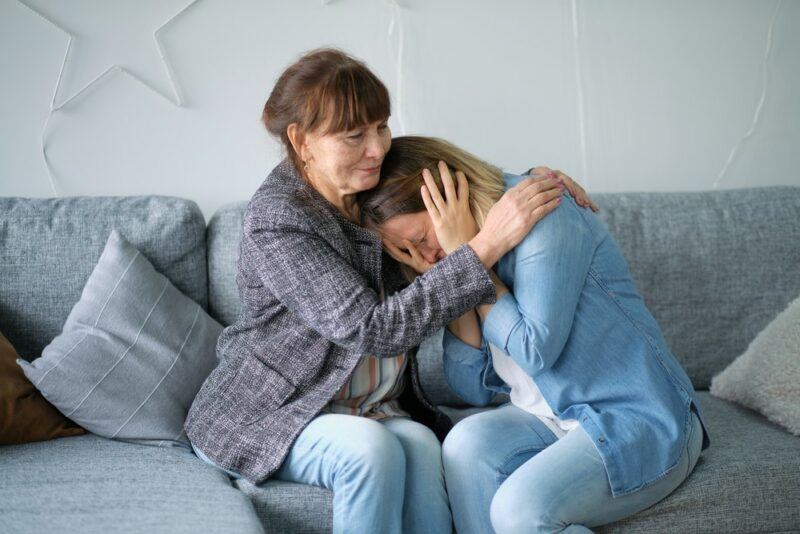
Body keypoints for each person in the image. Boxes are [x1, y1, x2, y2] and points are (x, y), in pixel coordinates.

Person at [184, 49, 587, 534]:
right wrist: (483, 248)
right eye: (354, 136)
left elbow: (457, 180)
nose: (376, 147)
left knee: (420, 445)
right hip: (272, 414)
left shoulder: (376, 189)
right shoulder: (280, 221)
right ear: (302, 141)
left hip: (372, 408)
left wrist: (532, 181)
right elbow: (371, 330)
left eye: (381, 126)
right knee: (369, 452)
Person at [359, 136, 711, 533]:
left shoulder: (544, 212)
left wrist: (470, 261)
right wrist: (462, 271)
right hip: (551, 417)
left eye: (422, 239)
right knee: (463, 444)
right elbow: (471, 389)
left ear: (450, 196)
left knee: (517, 510)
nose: (424, 260)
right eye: (406, 253)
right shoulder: (465, 255)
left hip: (638, 417)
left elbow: (534, 349)